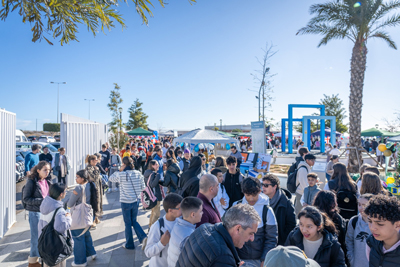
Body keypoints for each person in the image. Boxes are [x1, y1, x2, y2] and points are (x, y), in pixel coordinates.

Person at [176, 204, 261, 267]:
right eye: (251, 233)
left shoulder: (204, 227)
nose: (252, 239)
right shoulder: (223, 257)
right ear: (237, 229)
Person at [233, 177, 278, 266]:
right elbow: (230, 235)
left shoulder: (267, 210)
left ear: (259, 191)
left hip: (259, 261)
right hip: (239, 259)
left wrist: (265, 259)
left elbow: (271, 238)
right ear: (243, 192)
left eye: (254, 195)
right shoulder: (236, 207)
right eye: (248, 195)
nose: (251, 198)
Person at [108, 156, 147, 250]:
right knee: (134, 220)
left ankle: (129, 244)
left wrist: (119, 170)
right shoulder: (138, 173)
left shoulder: (122, 174)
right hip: (135, 200)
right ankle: (143, 237)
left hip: (125, 202)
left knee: (128, 223)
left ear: (124, 164)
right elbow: (143, 187)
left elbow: (110, 178)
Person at [23, 161, 51, 267]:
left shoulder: (47, 181)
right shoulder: (31, 182)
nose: (47, 172)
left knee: (44, 237)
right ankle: (33, 262)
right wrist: (42, 200)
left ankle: (39, 259)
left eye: (48, 170)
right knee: (36, 237)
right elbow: (26, 199)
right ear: (38, 170)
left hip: (46, 212)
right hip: (35, 213)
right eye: (45, 170)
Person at [144, 193, 183, 267]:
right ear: (170, 210)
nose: (183, 210)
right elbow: (148, 252)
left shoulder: (180, 221)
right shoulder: (157, 226)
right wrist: (161, 243)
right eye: (180, 208)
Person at [67, 170, 97, 267]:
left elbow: (70, 203)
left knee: (78, 237)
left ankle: (80, 261)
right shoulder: (91, 184)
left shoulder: (79, 187)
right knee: (86, 234)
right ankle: (91, 252)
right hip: (89, 214)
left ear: (82, 178)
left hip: (80, 216)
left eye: (77, 177)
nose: (75, 179)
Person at [39, 183, 71, 267]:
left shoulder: (44, 206)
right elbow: (61, 228)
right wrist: (69, 218)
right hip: (56, 247)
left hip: (45, 245)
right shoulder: (59, 211)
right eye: (65, 191)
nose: (66, 193)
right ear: (61, 194)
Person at [365, 194, 400, 267]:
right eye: (370, 221)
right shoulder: (371, 242)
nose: (372, 228)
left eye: (380, 224)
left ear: (397, 225)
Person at [167, 197, 203, 267]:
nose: (203, 213)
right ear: (193, 214)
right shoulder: (189, 237)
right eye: (201, 211)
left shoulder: (177, 224)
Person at [312, 190, 348, 261]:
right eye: (334, 202)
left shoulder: (337, 217)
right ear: (328, 203)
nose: (336, 204)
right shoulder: (315, 219)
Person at [262, 174, 296, 246]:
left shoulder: (286, 203)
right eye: (262, 184)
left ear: (275, 186)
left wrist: (282, 240)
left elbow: (291, 225)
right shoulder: (261, 200)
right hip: (265, 241)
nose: (263, 187)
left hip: (279, 243)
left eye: (266, 185)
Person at [345, 193, 374, 267]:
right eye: (359, 204)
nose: (361, 208)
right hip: (356, 263)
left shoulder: (376, 223)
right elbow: (349, 241)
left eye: (364, 205)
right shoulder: (354, 221)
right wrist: (351, 259)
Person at [144, 160, 165, 228]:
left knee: (153, 213)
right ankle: (152, 230)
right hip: (155, 196)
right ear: (152, 165)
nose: (158, 165)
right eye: (156, 164)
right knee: (156, 214)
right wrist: (158, 176)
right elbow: (152, 184)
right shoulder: (153, 174)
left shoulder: (147, 173)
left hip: (150, 196)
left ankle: (150, 227)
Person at [85, 155, 103, 225]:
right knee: (94, 203)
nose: (97, 161)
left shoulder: (93, 167)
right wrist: (96, 170)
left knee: (98, 202)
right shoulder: (89, 168)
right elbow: (94, 178)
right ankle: (92, 220)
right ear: (91, 161)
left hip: (97, 188)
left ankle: (96, 218)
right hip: (92, 189)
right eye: (96, 160)